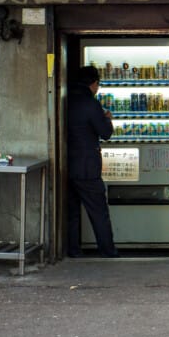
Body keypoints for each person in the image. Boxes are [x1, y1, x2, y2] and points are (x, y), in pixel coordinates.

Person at [66, 65, 118, 258]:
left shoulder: (65, 99)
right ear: (93, 83)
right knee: (99, 213)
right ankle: (108, 252)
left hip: (66, 166)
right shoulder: (90, 103)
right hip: (87, 167)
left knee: (71, 213)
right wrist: (107, 119)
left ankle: (73, 251)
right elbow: (105, 133)